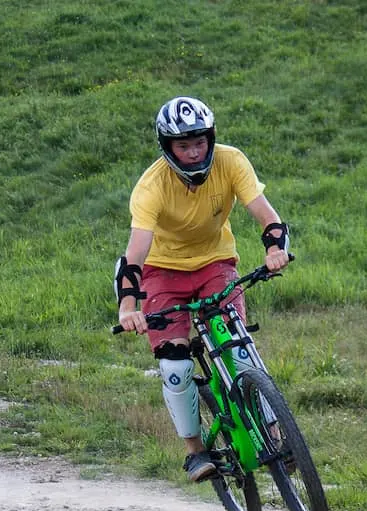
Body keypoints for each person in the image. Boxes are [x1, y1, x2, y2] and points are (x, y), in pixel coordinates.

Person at [114, 96, 291, 483]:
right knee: (176, 366)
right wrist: (129, 306)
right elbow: (135, 254)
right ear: (167, 147)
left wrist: (275, 248)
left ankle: (277, 432)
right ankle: (195, 451)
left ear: (211, 139)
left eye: (200, 142)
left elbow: (264, 211)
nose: (195, 153)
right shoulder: (151, 186)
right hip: (163, 273)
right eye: (183, 145)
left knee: (239, 346)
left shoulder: (231, 160)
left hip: (215, 264)